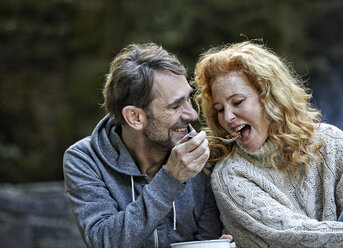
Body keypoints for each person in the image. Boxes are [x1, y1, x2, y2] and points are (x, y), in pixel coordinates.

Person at [193, 41, 343, 247]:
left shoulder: (330, 141)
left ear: (270, 97)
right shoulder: (231, 175)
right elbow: (289, 236)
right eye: (220, 109)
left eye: (237, 102)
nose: (227, 117)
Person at [63, 43, 229, 248]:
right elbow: (104, 241)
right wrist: (171, 179)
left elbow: (205, 238)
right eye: (176, 106)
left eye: (188, 99)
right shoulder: (85, 159)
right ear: (134, 117)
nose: (192, 115)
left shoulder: (201, 157)